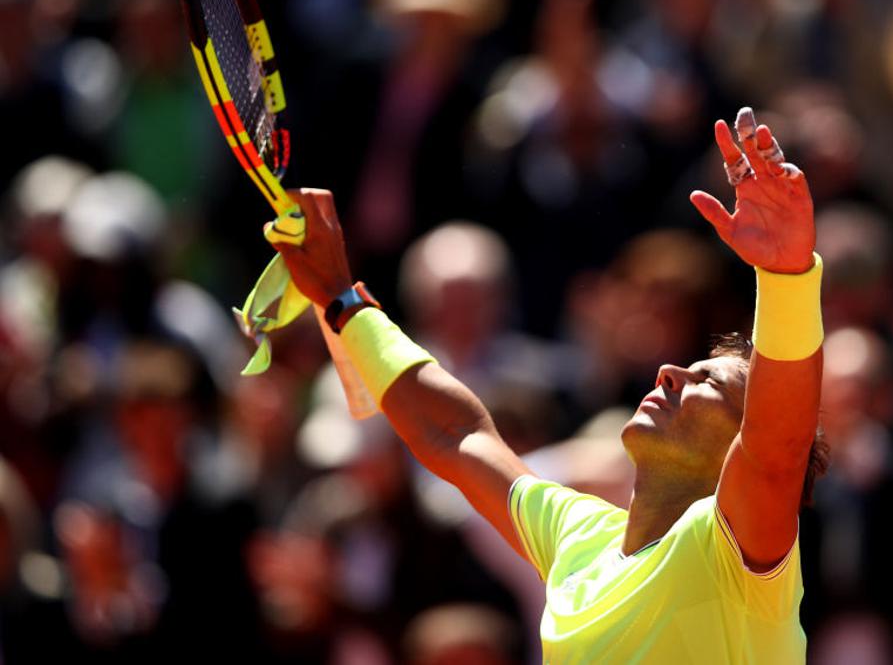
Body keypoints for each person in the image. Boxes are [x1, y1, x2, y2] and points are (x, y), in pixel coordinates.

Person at [269, 107, 827, 662]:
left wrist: (785, 279)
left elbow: (778, 446)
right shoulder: (578, 538)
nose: (670, 373)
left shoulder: (736, 550)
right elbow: (455, 432)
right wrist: (342, 300)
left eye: (708, 381)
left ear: (740, 445)